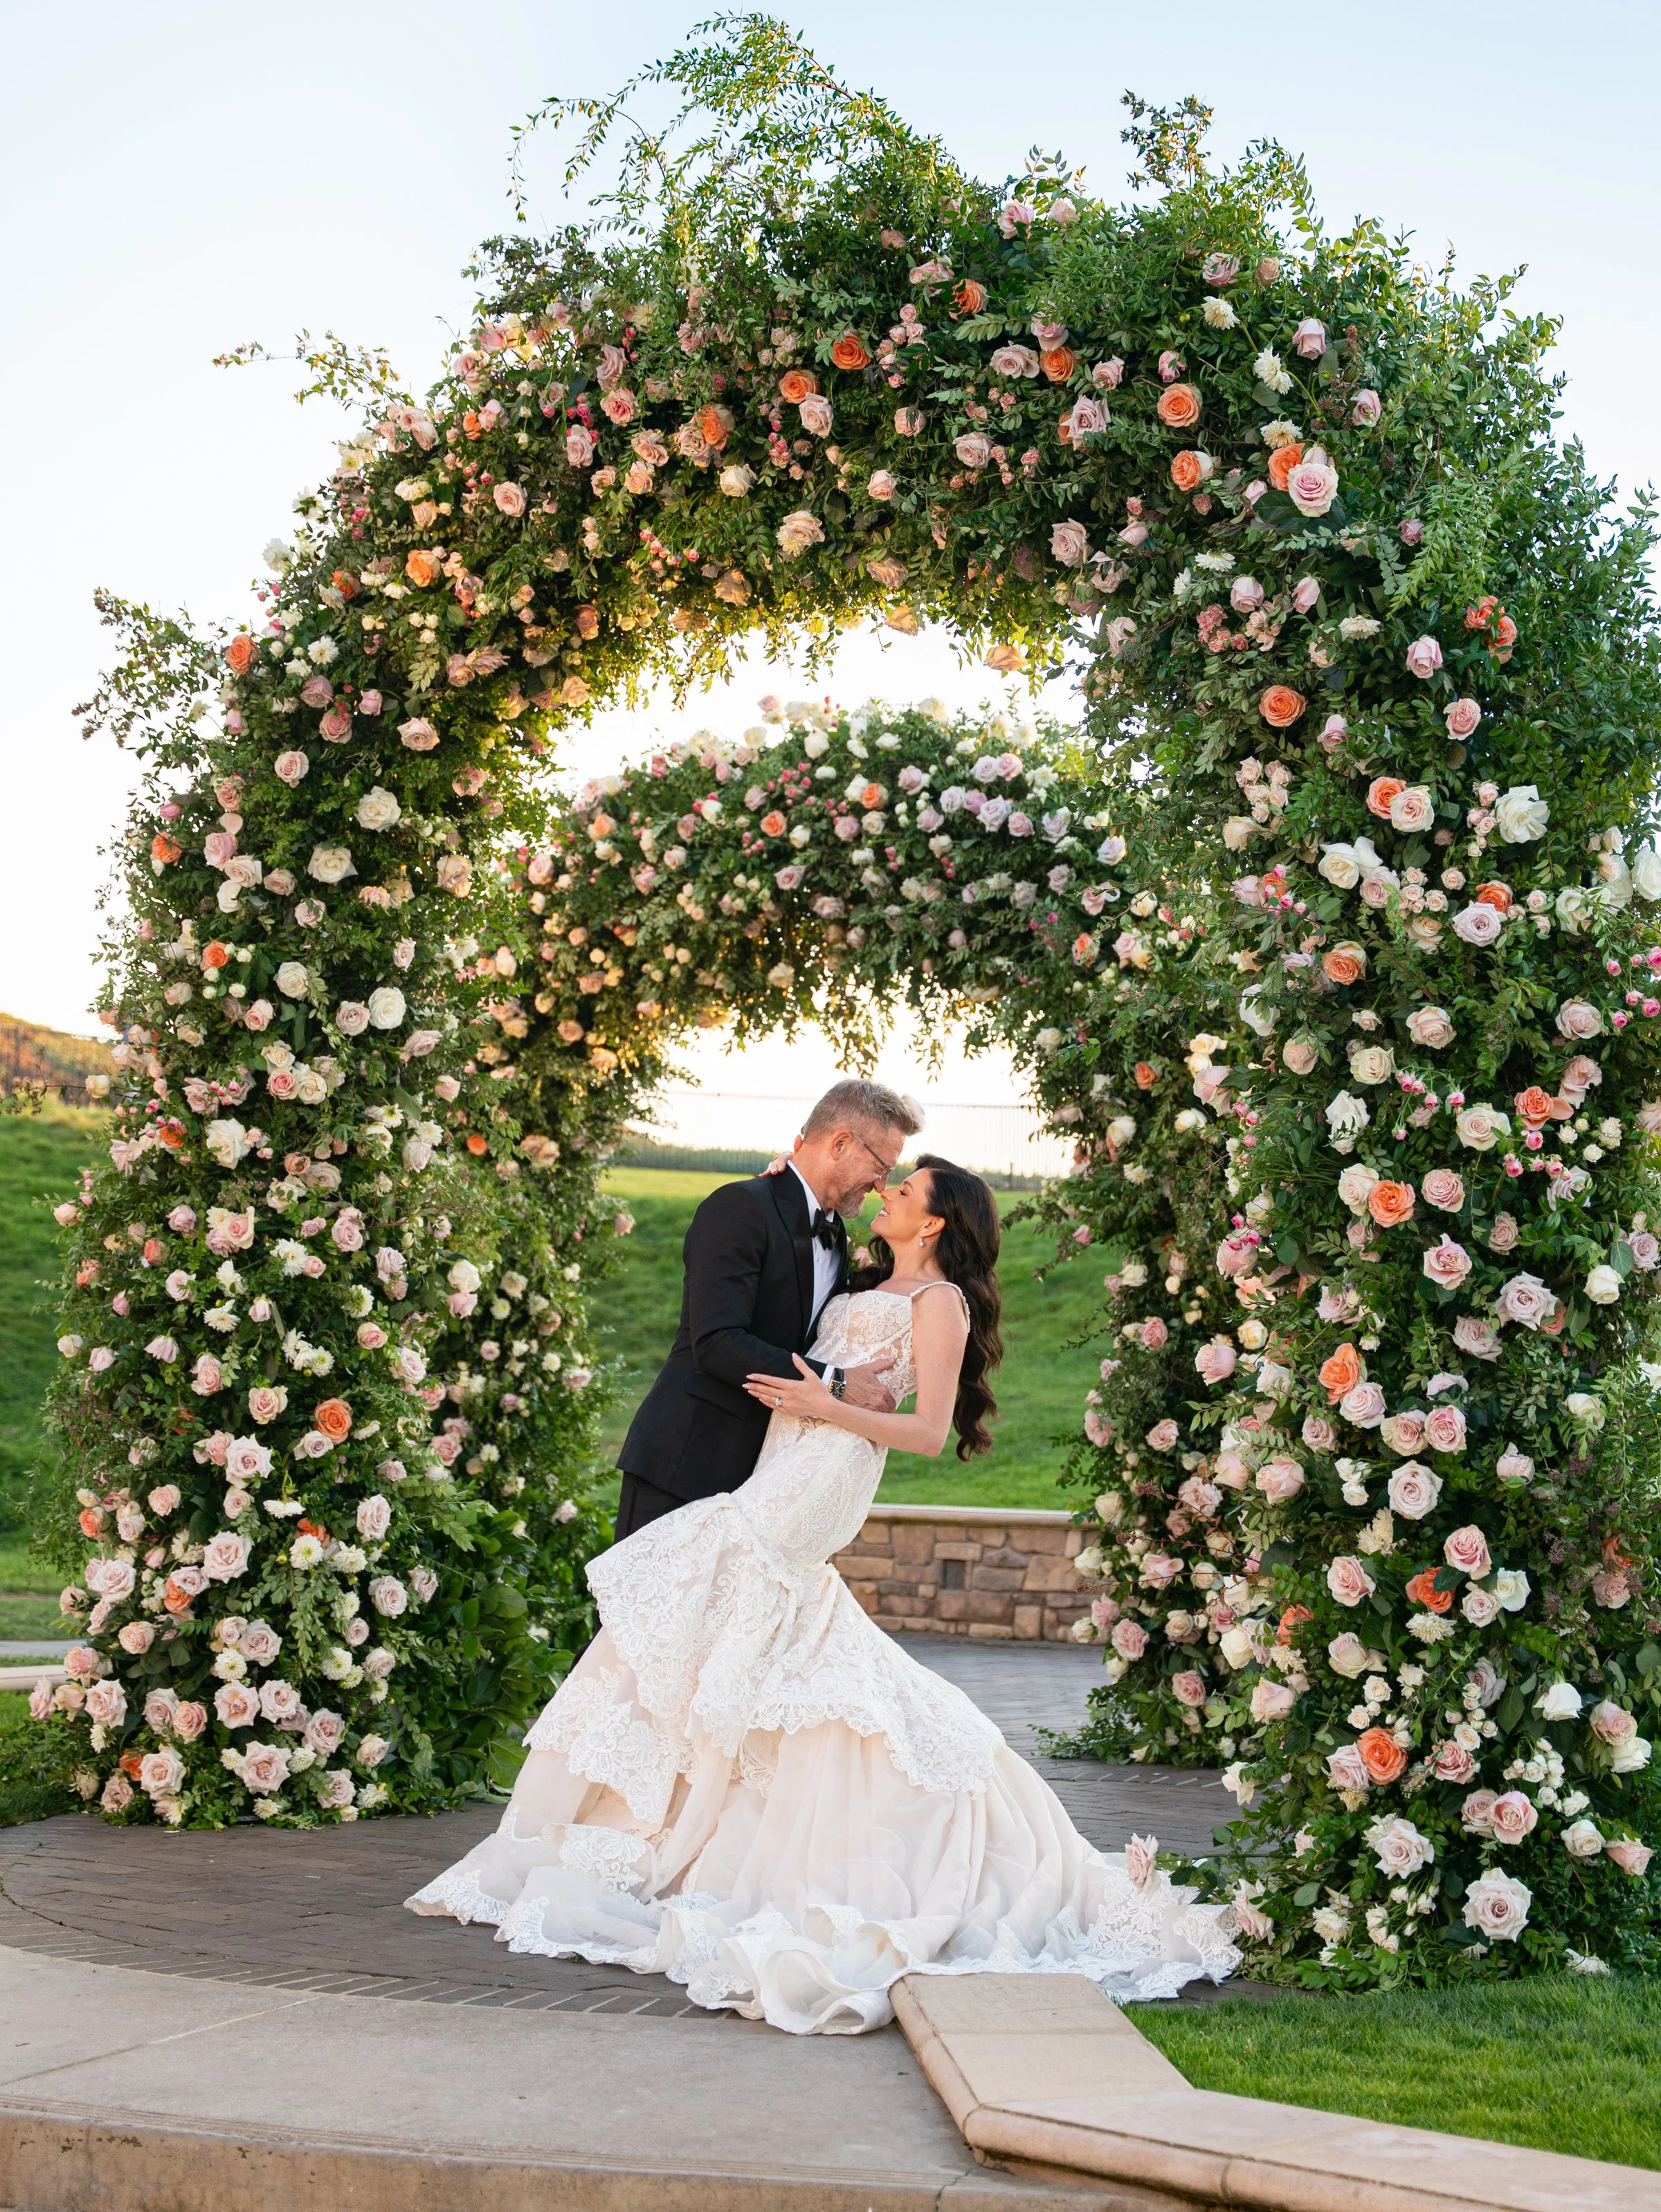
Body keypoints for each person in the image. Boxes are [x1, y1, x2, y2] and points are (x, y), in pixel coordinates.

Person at [408, 1151, 1240, 2031]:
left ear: (937, 1224)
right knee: (739, 1610)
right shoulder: (855, 1275)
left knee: (745, 1576)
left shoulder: (940, 1304)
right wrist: (782, 1194)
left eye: (905, 1190)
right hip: (783, 1454)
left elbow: (924, 1430)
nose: (887, 1192)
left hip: (826, 1469)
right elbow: (794, 1264)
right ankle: (676, 1819)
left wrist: (827, 1401)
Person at [609, 1078, 920, 1539]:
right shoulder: (740, 1207)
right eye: (881, 1167)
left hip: (763, 1483)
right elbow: (717, 1342)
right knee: (639, 1612)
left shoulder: (836, 1237)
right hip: (684, 1464)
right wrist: (835, 1381)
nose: (882, 1186)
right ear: (839, 1143)